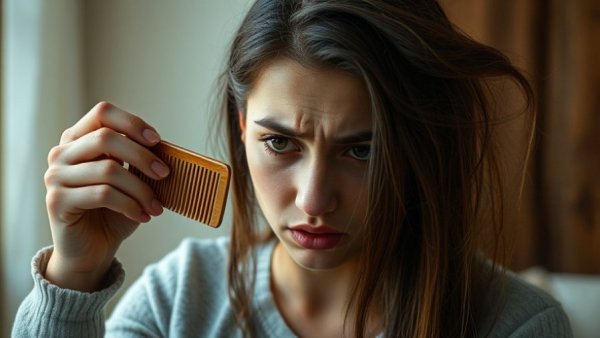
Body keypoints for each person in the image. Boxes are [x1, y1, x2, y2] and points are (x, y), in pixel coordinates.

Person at [13, 0, 572, 337]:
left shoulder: (517, 327)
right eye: (280, 142)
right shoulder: (179, 299)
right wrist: (73, 275)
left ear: (419, 146)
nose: (313, 199)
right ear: (240, 124)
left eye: (363, 150)